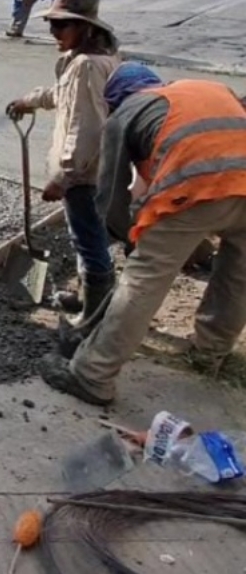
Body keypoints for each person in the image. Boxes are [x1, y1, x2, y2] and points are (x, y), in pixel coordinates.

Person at [41, 62, 246, 405]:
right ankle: (210, 356)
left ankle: (91, 376)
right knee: (237, 276)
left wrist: (132, 238)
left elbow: (111, 198)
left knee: (143, 280)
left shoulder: (126, 113)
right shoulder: (202, 90)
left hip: (198, 183)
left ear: (116, 101)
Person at [6, 0, 121, 321]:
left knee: (87, 240)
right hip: (101, 169)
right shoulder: (99, 59)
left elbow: (87, 129)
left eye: (61, 25)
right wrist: (29, 100)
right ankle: (91, 299)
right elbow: (62, 95)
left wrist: (64, 177)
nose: (53, 32)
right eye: (52, 24)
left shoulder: (86, 66)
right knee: (92, 235)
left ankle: (93, 316)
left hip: (85, 173)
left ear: (85, 27)